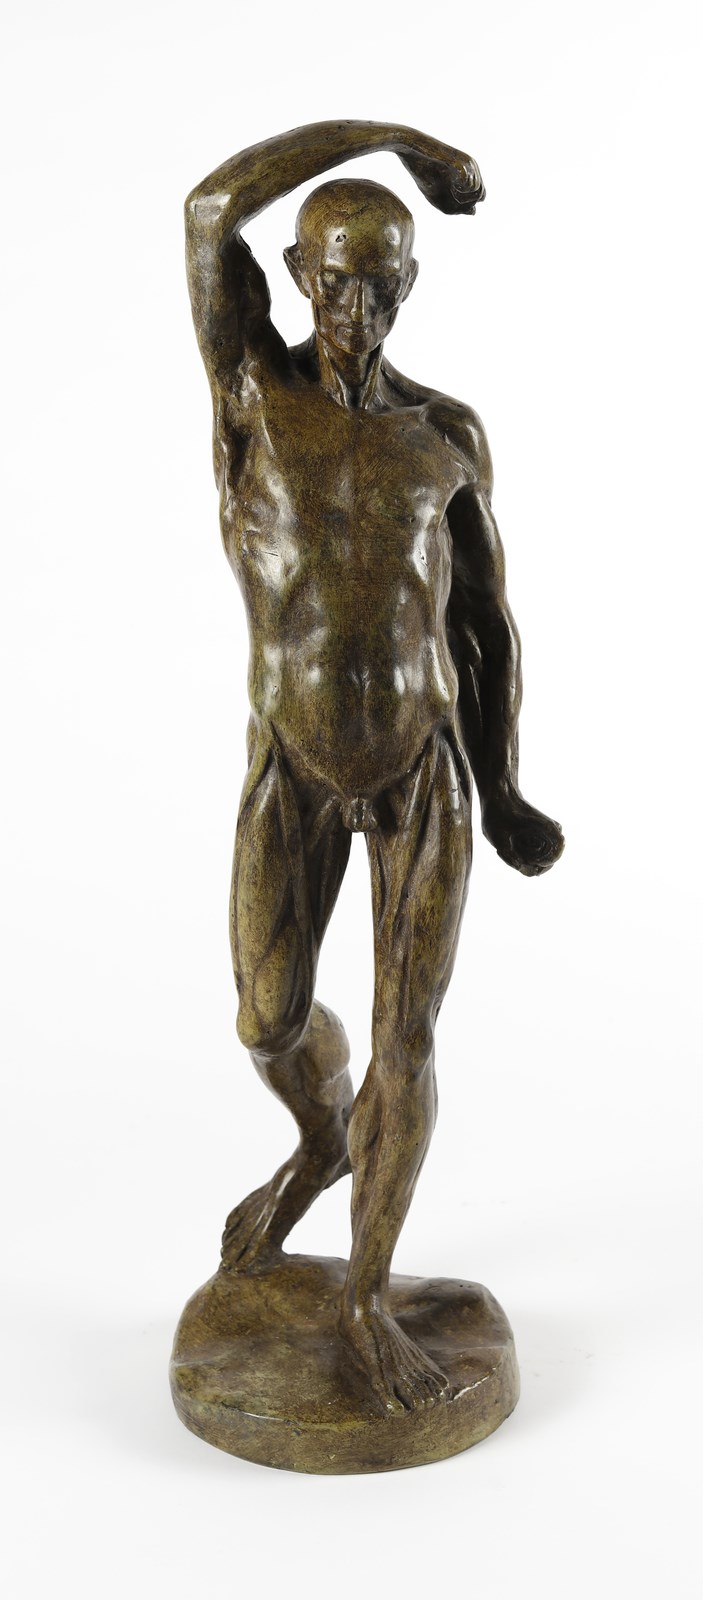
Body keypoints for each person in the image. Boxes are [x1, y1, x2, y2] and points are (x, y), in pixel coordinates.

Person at [185, 121, 564, 1412]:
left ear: (409, 284)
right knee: (268, 1018)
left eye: (383, 282)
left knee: (409, 1030)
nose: (358, 307)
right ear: (299, 277)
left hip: (422, 773)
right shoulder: (252, 395)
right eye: (337, 280)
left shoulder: (445, 433)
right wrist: (401, 141)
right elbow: (208, 208)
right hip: (290, 762)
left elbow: (485, 623)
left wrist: (502, 786)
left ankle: (363, 1293)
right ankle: (319, 1138)